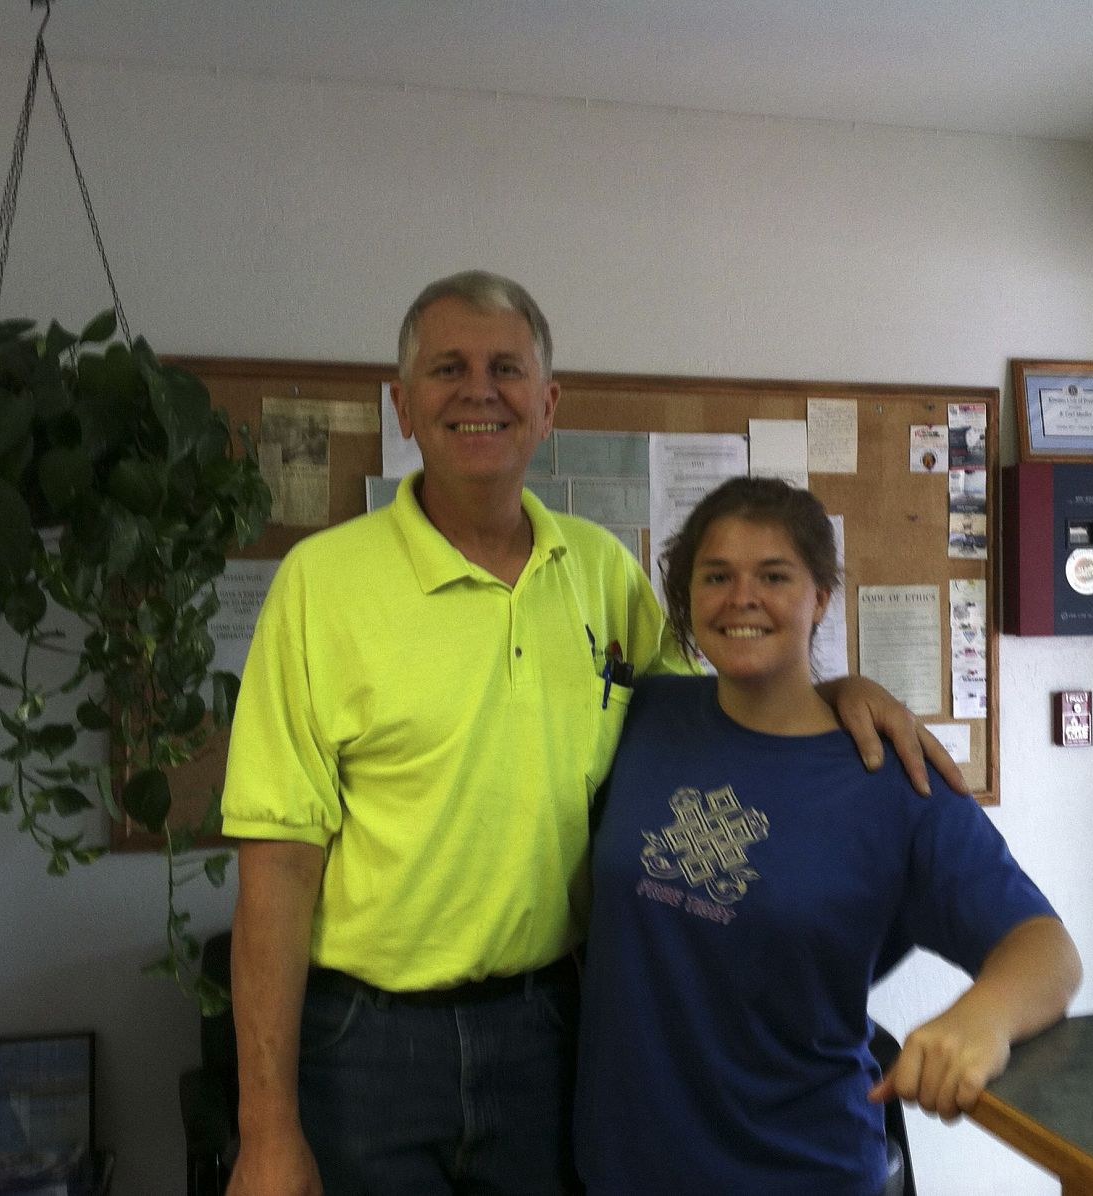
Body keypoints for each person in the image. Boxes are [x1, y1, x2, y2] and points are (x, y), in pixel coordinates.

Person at [219, 271, 965, 1196]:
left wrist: (838, 683)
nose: (478, 390)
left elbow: (719, 720)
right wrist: (266, 1132)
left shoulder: (601, 572)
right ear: (406, 406)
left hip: (554, 1030)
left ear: (547, 403)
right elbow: (277, 868)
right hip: (368, 1050)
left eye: (506, 368)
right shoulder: (319, 585)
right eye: (448, 369)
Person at [574, 477, 1083, 1195]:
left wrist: (984, 1019)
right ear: (686, 598)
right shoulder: (644, 715)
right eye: (716, 576)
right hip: (623, 1172)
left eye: (774, 576)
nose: (741, 597)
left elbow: (1047, 950)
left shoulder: (893, 777)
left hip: (801, 1171)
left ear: (820, 597)